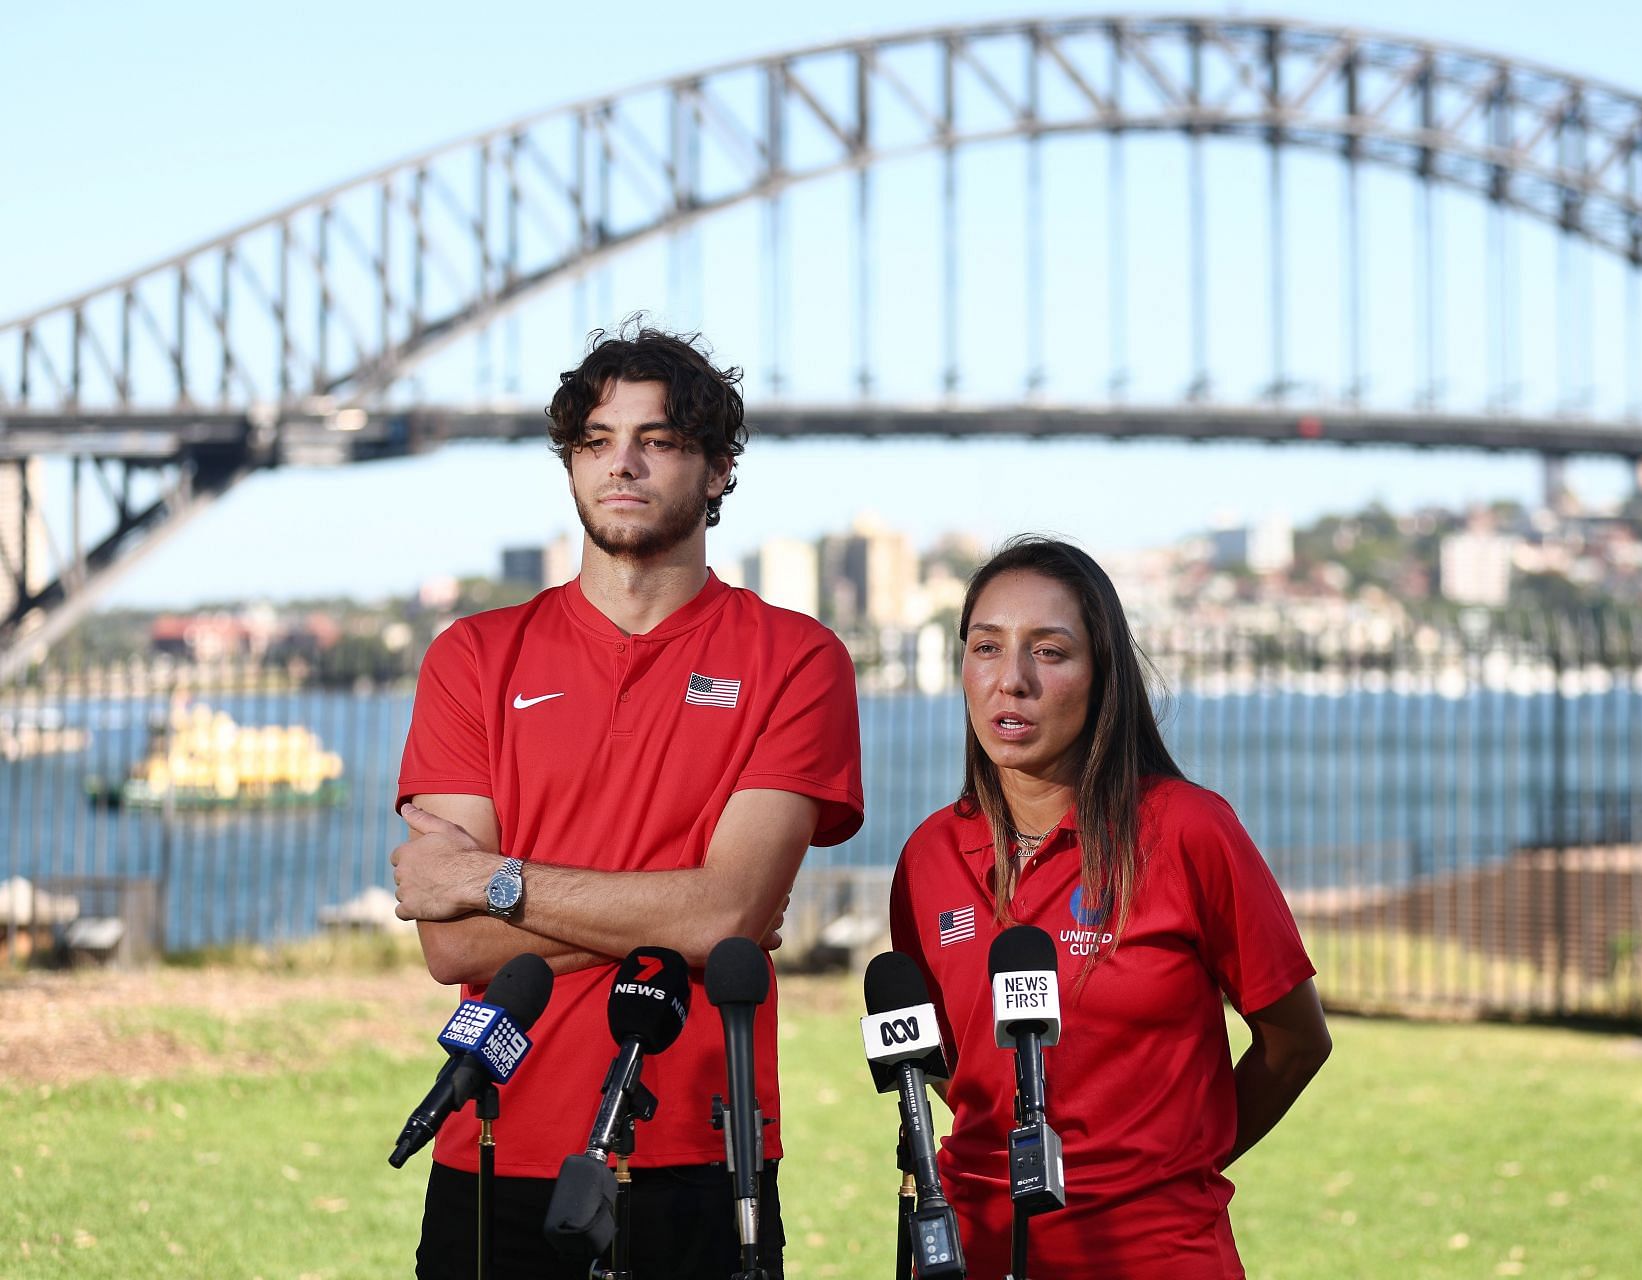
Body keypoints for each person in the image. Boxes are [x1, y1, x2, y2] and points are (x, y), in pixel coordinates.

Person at [390, 317, 863, 1279]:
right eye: (598, 442)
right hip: (494, 1135)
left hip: (701, 1151)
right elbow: (453, 942)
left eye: (659, 441)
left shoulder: (797, 660)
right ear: (569, 465)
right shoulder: (472, 658)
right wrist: (678, 916)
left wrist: (493, 880)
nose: (624, 466)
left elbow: (726, 915)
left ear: (720, 469)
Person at [889, 536, 1330, 1279]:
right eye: (987, 647)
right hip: (973, 1250)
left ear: (1103, 675)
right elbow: (948, 1066)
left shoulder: (1188, 829)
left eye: (1051, 652)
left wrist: (1168, 1166)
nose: (1012, 681)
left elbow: (1295, 1042)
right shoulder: (929, 857)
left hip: (1158, 1253)